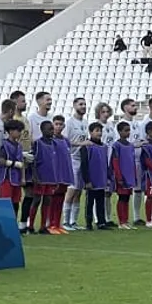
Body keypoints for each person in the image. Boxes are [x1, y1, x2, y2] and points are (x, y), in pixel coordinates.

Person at [61, 97, 89, 231]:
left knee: (78, 191)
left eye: (84, 104)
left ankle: (74, 221)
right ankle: (65, 221)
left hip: (81, 159)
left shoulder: (85, 122)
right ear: (74, 106)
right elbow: (66, 142)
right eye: (80, 104)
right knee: (71, 190)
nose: (83, 106)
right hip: (72, 158)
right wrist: (81, 144)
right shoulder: (69, 123)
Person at [28, 119, 59, 234]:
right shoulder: (38, 143)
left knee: (47, 201)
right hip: (40, 177)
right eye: (50, 129)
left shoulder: (54, 144)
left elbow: (55, 162)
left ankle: (43, 226)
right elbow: (33, 161)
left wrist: (56, 178)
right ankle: (30, 225)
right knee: (36, 200)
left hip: (51, 178)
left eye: (52, 128)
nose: (52, 131)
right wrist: (35, 176)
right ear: (42, 130)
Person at [118, 98, 146, 225]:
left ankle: (136, 217)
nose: (135, 108)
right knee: (125, 191)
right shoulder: (120, 124)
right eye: (132, 106)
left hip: (138, 160)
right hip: (127, 162)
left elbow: (139, 140)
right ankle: (122, 218)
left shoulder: (137, 124)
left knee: (138, 189)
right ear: (125, 108)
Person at [80, 122, 112, 231]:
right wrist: (87, 180)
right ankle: (88, 223)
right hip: (92, 180)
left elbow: (105, 163)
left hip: (101, 179)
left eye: (100, 131)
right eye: (97, 130)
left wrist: (107, 177)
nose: (99, 133)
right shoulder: (87, 146)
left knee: (100, 202)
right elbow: (84, 164)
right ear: (90, 132)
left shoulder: (104, 147)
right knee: (89, 202)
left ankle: (101, 222)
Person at [0, 119, 27, 215]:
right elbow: (1, 161)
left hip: (17, 178)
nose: (20, 133)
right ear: (11, 131)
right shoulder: (4, 144)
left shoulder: (19, 145)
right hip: (6, 178)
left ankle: (14, 223)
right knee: (6, 203)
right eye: (18, 131)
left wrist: (23, 178)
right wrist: (13, 164)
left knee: (16, 202)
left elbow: (21, 162)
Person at [110, 121, 136, 230]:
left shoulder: (130, 145)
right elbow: (115, 162)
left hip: (130, 176)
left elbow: (132, 161)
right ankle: (121, 222)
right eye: (125, 130)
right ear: (119, 132)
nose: (128, 132)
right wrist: (119, 176)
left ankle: (126, 220)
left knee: (127, 198)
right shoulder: (116, 145)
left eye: (129, 130)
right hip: (122, 176)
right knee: (121, 197)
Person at [51, 116, 74, 232]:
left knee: (61, 199)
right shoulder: (51, 140)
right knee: (53, 199)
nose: (58, 126)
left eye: (60, 124)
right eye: (56, 124)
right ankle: (50, 224)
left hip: (65, 174)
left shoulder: (66, 141)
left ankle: (57, 223)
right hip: (55, 175)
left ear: (64, 126)